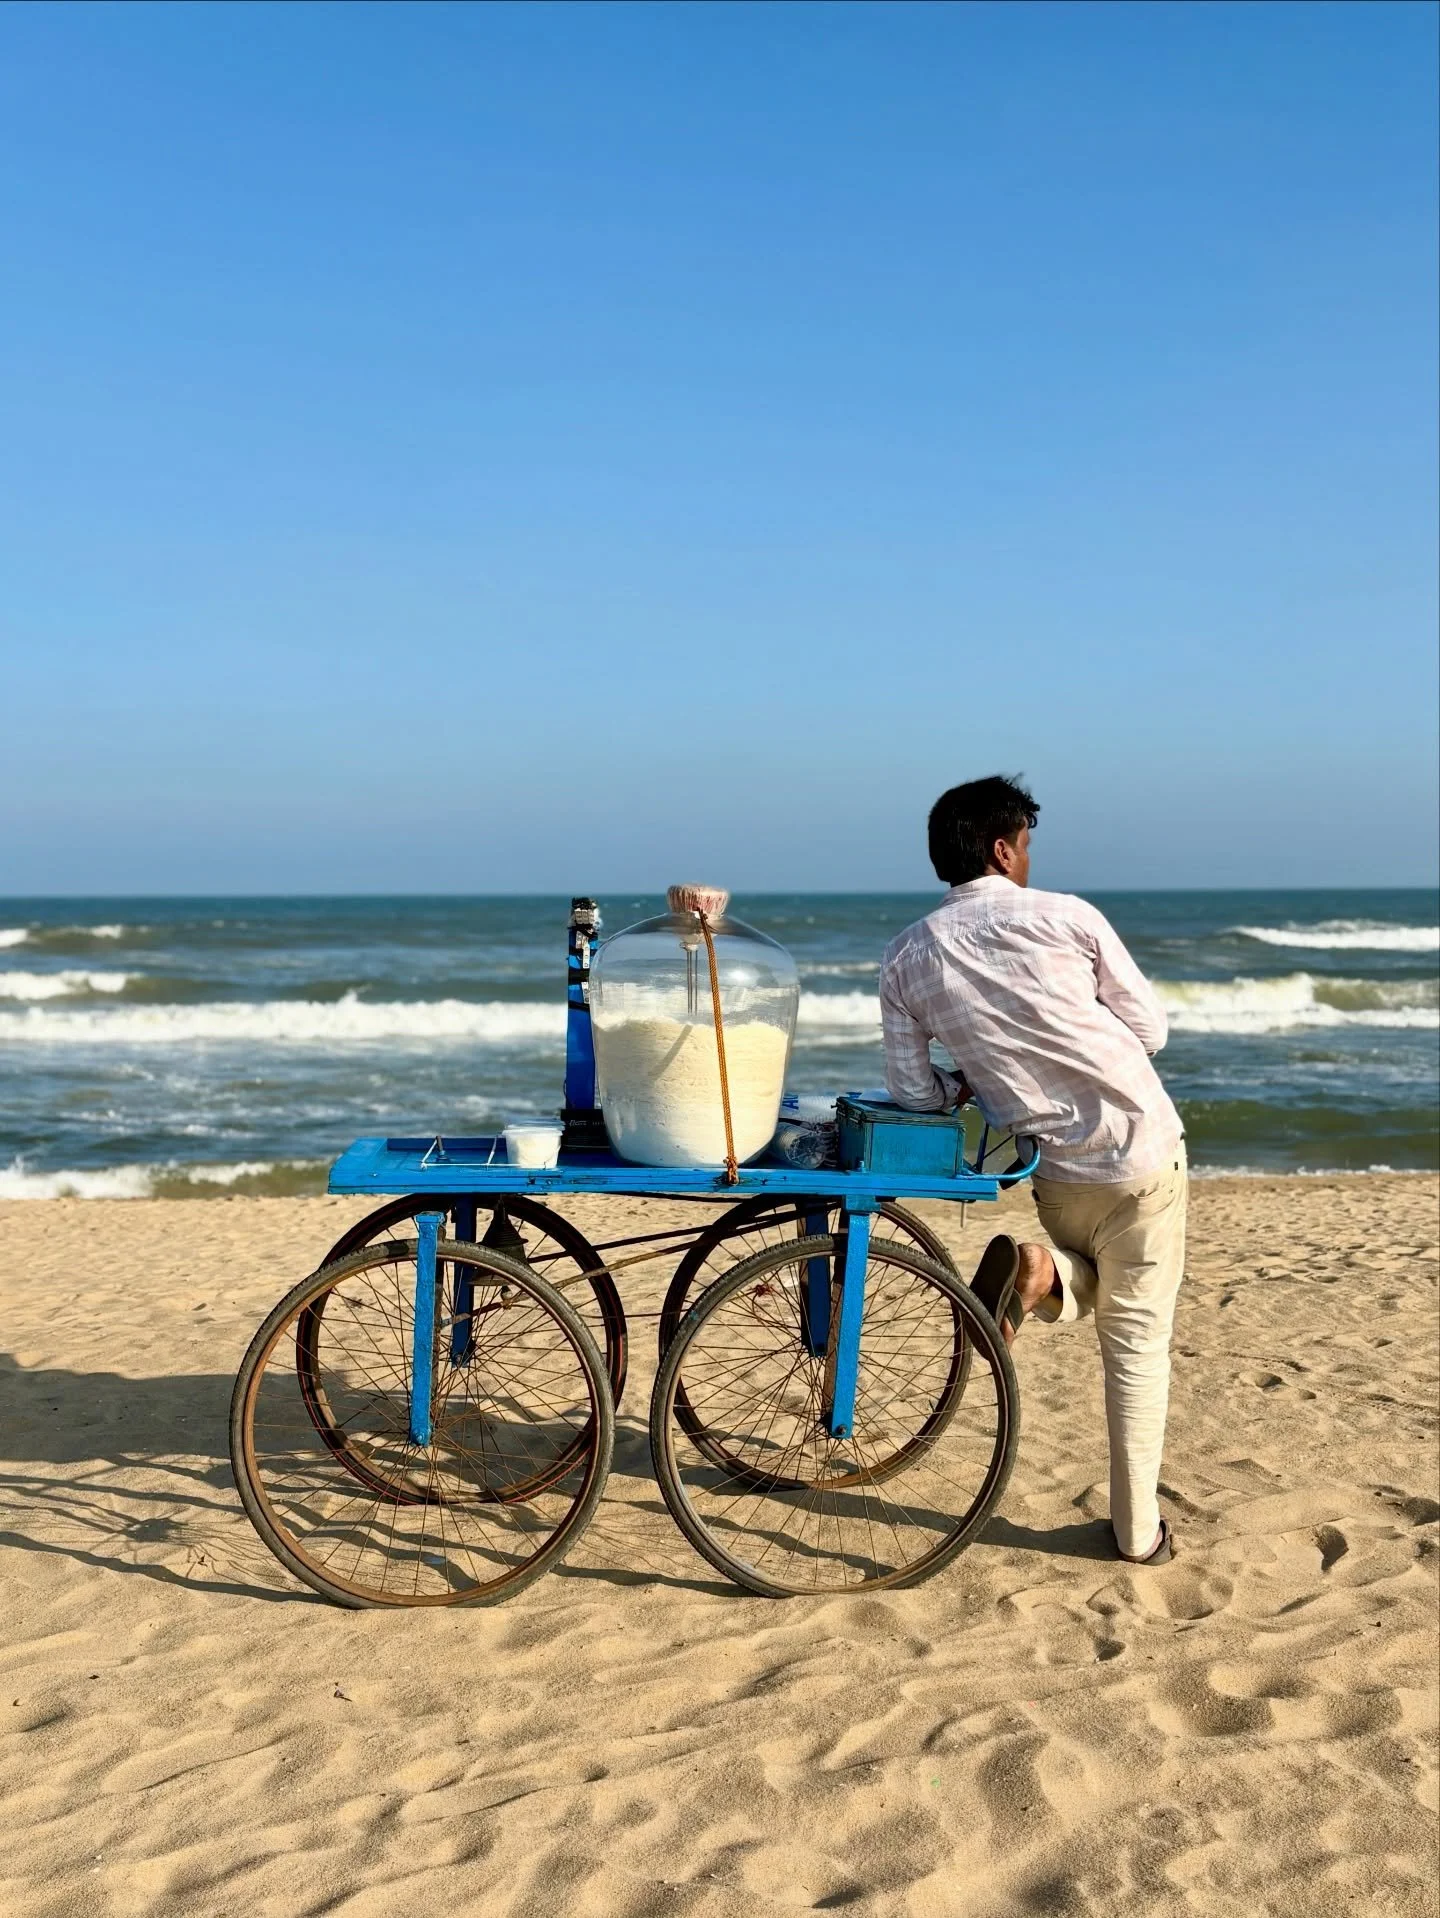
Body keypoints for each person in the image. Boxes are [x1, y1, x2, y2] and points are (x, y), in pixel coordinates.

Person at [878, 775, 1186, 1565]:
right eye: (1025, 847)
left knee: (1098, 1283)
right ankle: (1136, 1535)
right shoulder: (1068, 916)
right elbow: (1149, 1031)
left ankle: (1043, 1270)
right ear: (1002, 848)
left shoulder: (907, 955)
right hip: (1140, 1151)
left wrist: (973, 1074)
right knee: (1137, 1344)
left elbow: (915, 1094)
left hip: (1054, 1176)